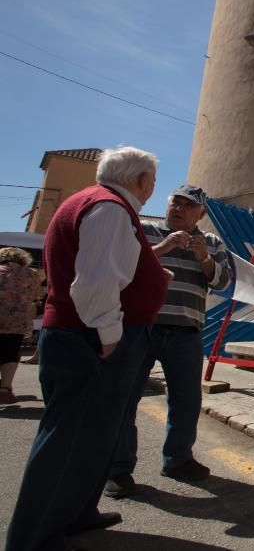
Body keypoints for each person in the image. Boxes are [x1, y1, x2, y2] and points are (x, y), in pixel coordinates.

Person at [5, 146, 170, 551]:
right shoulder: (110, 208)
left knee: (95, 436)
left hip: (88, 336)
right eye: (152, 181)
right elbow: (95, 285)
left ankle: (78, 513)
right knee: (67, 440)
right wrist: (110, 338)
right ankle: (33, 537)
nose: (152, 188)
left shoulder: (98, 203)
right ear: (141, 180)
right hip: (91, 339)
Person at [105, 184, 231, 499]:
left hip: (186, 331)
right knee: (124, 398)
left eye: (188, 206)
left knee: (186, 401)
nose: (180, 209)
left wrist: (204, 258)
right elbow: (123, 265)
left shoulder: (212, 242)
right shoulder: (144, 231)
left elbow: (223, 282)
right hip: (140, 327)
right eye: (176, 202)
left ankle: (178, 460)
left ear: (200, 214)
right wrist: (161, 248)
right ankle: (118, 470)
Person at [0, 247, 41, 404]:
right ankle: (5, 389)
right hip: (17, 321)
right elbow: (35, 295)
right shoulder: (32, 275)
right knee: (11, 352)